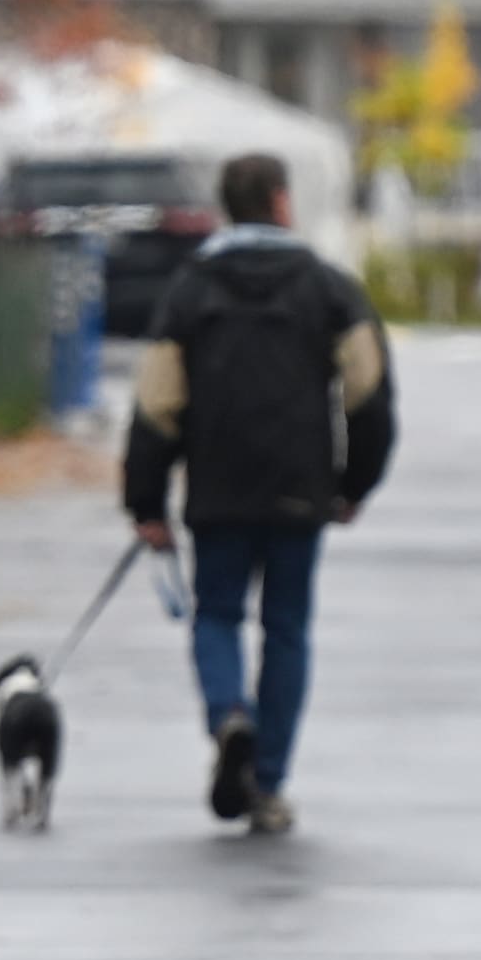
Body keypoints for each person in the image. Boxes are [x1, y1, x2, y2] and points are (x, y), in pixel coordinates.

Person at [123, 151, 394, 836]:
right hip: (300, 488)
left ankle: (228, 716)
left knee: (215, 615)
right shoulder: (328, 288)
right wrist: (355, 480)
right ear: (280, 201)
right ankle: (267, 781)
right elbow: (367, 389)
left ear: (228, 206)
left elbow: (157, 402)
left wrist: (147, 501)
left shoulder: (190, 289)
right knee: (287, 629)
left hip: (216, 488)